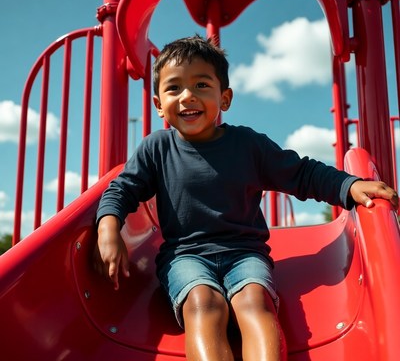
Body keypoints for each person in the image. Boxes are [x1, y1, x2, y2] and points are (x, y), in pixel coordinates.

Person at [94, 35, 398, 360]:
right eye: (174, 88)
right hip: (185, 257)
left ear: (224, 98)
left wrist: (348, 186)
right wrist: (108, 228)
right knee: (203, 303)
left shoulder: (247, 145)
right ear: (158, 104)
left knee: (255, 302)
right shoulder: (157, 149)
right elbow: (121, 189)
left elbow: (300, 173)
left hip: (244, 254)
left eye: (201, 85)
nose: (187, 97)